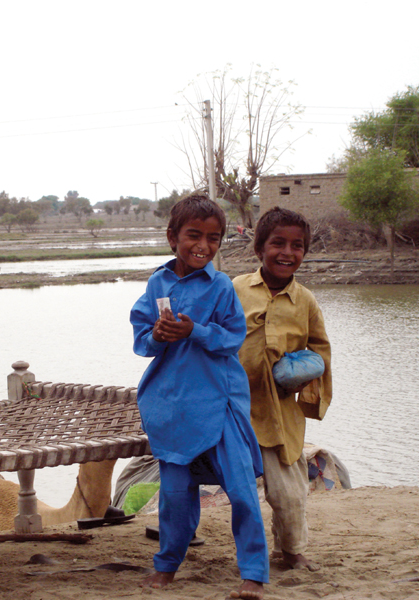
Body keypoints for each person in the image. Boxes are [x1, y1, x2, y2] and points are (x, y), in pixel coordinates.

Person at [130, 193, 268, 599]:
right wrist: (158, 333)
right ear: (173, 237)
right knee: (174, 496)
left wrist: (196, 331)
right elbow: (142, 337)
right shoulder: (158, 282)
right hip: (171, 405)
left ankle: (254, 574)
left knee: (241, 490)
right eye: (194, 235)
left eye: (214, 238)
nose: (203, 246)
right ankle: (168, 564)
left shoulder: (221, 286)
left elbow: (232, 337)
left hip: (219, 401)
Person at [232, 207, 332, 572]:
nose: (287, 252)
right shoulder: (235, 289)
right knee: (222, 486)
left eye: (298, 246)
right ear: (259, 248)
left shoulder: (305, 300)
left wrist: (303, 377)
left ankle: (291, 551)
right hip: (234, 408)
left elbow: (321, 349)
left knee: (289, 492)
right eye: (278, 243)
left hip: (279, 412)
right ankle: (182, 542)